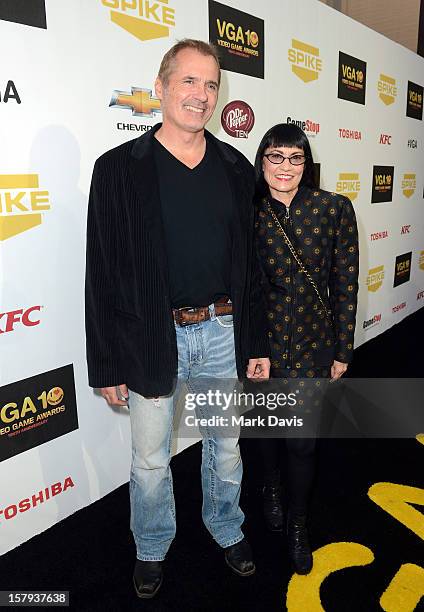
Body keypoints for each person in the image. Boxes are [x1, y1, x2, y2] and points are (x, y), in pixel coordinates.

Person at [85, 39, 270, 599]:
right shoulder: (118, 169)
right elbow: (102, 270)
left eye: (211, 84)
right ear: (162, 87)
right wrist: (107, 363)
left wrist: (254, 343)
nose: (201, 95)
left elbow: (251, 268)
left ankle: (226, 527)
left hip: (221, 330)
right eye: (189, 81)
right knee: (148, 457)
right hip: (150, 334)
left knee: (227, 446)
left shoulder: (237, 169)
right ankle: (152, 545)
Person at [253, 123, 359, 574]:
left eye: (295, 158)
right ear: (262, 161)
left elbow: (345, 282)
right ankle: (271, 487)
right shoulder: (249, 212)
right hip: (263, 347)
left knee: (302, 443)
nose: (285, 167)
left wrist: (343, 349)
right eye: (276, 157)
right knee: (265, 433)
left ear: (307, 163)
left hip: (315, 347)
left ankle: (299, 523)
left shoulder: (334, 208)